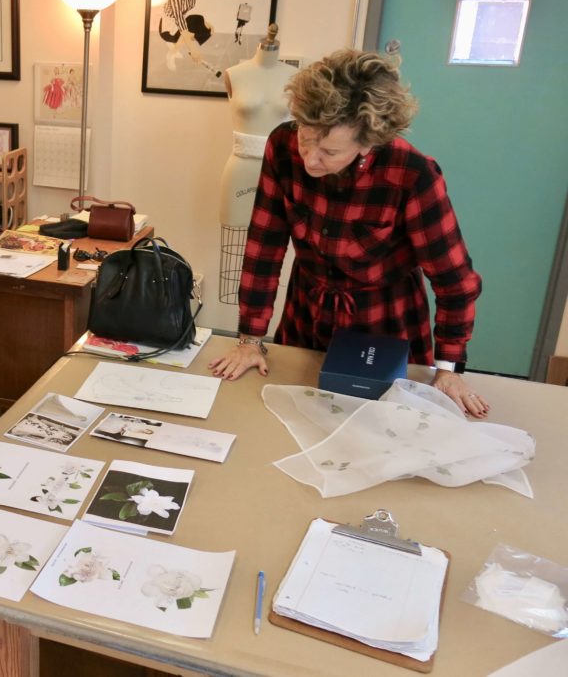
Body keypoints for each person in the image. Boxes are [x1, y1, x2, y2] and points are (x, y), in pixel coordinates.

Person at [209, 49, 488, 419]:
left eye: (329, 150)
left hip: (385, 323)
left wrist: (448, 367)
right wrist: (250, 339)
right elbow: (265, 246)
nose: (310, 159)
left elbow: (456, 281)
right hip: (306, 314)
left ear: (368, 141)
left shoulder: (411, 174)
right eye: (306, 140)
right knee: (292, 419)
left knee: (382, 428)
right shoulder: (282, 145)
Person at [218, 24, 296, 230]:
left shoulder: (297, 77)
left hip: (279, 170)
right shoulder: (235, 74)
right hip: (241, 168)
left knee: (273, 237)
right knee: (233, 239)